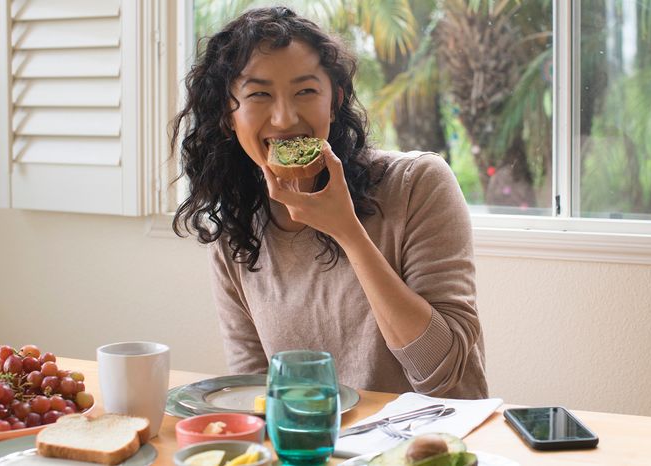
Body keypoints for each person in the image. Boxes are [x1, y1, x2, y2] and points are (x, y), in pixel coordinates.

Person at [171, 6, 487, 399]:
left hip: (430, 450)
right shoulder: (236, 230)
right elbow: (256, 392)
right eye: (259, 95)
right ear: (227, 114)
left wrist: (348, 231)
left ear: (334, 100)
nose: (285, 119)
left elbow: (442, 373)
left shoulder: (417, 184)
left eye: (305, 91)